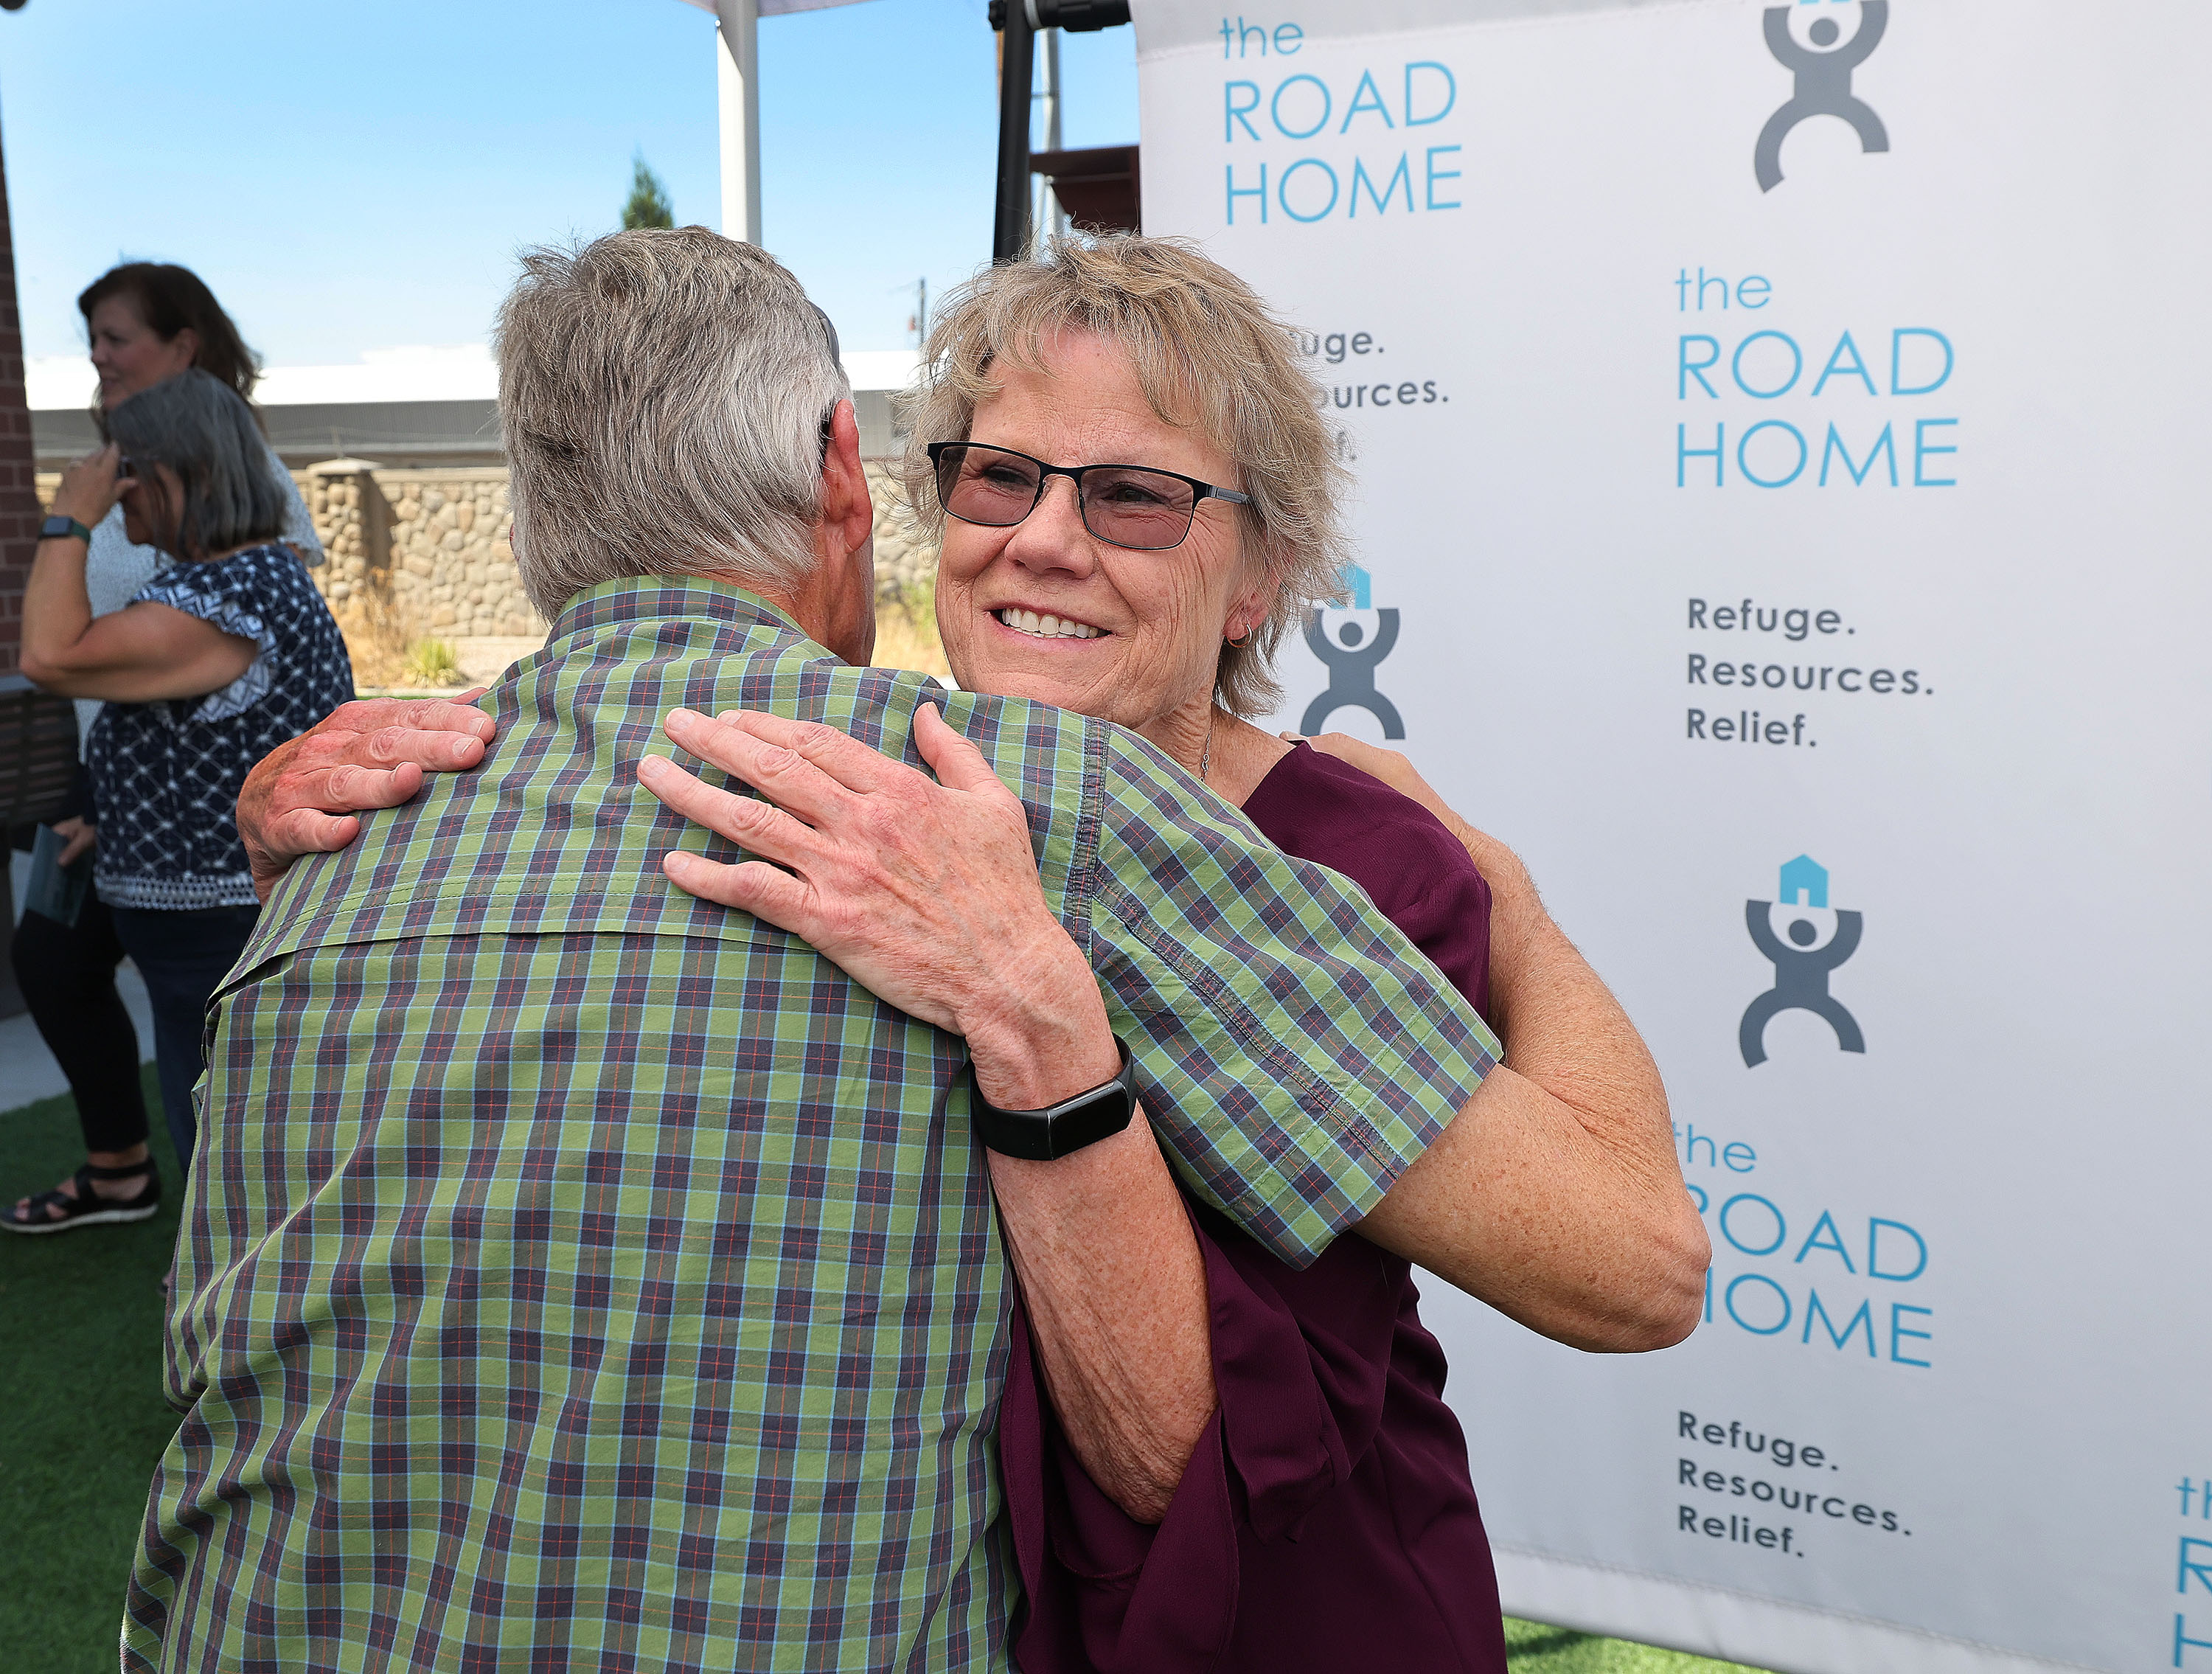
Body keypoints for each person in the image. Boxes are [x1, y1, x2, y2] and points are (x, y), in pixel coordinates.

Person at [217, 230, 1707, 1670]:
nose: (1041, 538)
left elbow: (1627, 1270)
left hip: (1288, 1612)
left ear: (1257, 579)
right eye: (1000, 478)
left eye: (1133, 496)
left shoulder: (1342, 852)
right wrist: (330, 809)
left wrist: (1501, 885)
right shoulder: (891, 791)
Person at [3, 263, 323, 1233]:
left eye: (135, 476)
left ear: (185, 475)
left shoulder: (227, 597)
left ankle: (238, 1310)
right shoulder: (224, 585)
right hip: (189, 915)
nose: (123, 499)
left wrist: (69, 515)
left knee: (226, 1135)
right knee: (216, 1116)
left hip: (216, 918)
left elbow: (50, 655)